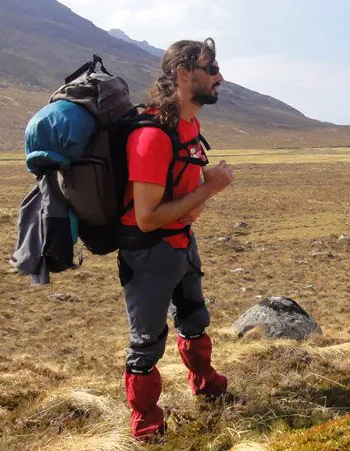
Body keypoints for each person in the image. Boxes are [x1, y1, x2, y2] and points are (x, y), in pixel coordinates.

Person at [116, 37, 233, 440]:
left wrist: (197, 199)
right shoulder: (152, 136)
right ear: (183, 74)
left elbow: (179, 193)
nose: (220, 76)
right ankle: (146, 423)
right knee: (146, 343)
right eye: (211, 68)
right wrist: (209, 190)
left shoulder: (190, 125)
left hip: (182, 242)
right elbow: (146, 218)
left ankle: (205, 383)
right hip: (147, 255)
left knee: (195, 318)